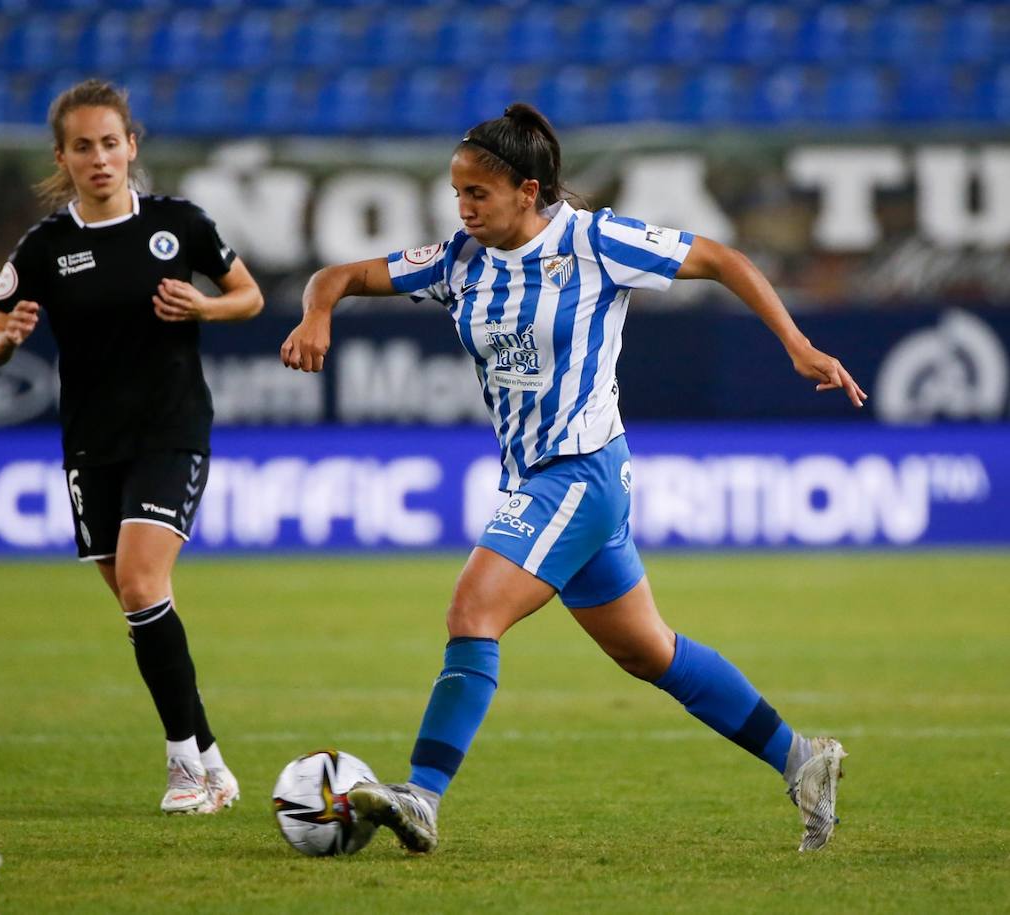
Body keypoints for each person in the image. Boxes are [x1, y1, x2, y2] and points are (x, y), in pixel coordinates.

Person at [281, 103, 865, 854]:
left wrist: (798, 344)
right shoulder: (460, 258)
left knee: (473, 610)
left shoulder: (595, 242)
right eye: (456, 192)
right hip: (544, 478)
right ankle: (801, 758)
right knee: (648, 650)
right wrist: (316, 314)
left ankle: (420, 795)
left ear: (528, 191)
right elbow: (340, 274)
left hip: (581, 471)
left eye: (477, 195)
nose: (462, 208)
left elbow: (722, 259)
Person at [0, 79, 263, 815]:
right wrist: (2, 341)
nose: (100, 158)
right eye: (83, 147)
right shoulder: (46, 246)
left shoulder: (178, 225)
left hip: (171, 430)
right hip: (90, 444)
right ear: (62, 157)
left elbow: (250, 295)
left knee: (141, 584)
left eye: (111, 142)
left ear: (132, 146)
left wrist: (204, 303)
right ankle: (215, 764)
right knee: (145, 604)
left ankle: (183, 768)